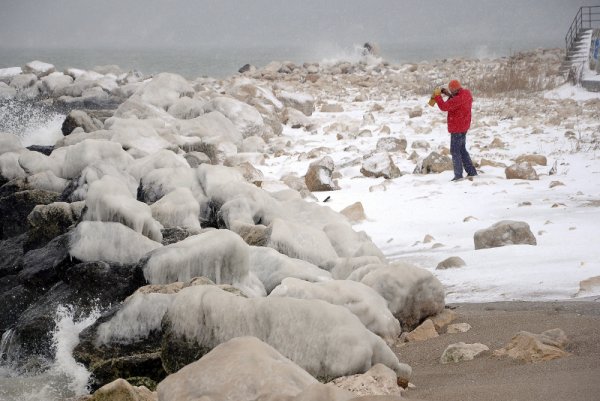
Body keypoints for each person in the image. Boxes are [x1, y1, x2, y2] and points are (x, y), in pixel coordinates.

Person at [431, 80, 478, 181]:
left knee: (455, 151)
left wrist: (437, 97)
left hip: (457, 128)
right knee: (462, 150)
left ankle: (458, 175)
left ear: (453, 89)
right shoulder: (467, 93)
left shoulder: (456, 99)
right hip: (464, 126)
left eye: (451, 90)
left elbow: (444, 107)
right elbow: (456, 100)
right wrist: (448, 94)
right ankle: (471, 171)